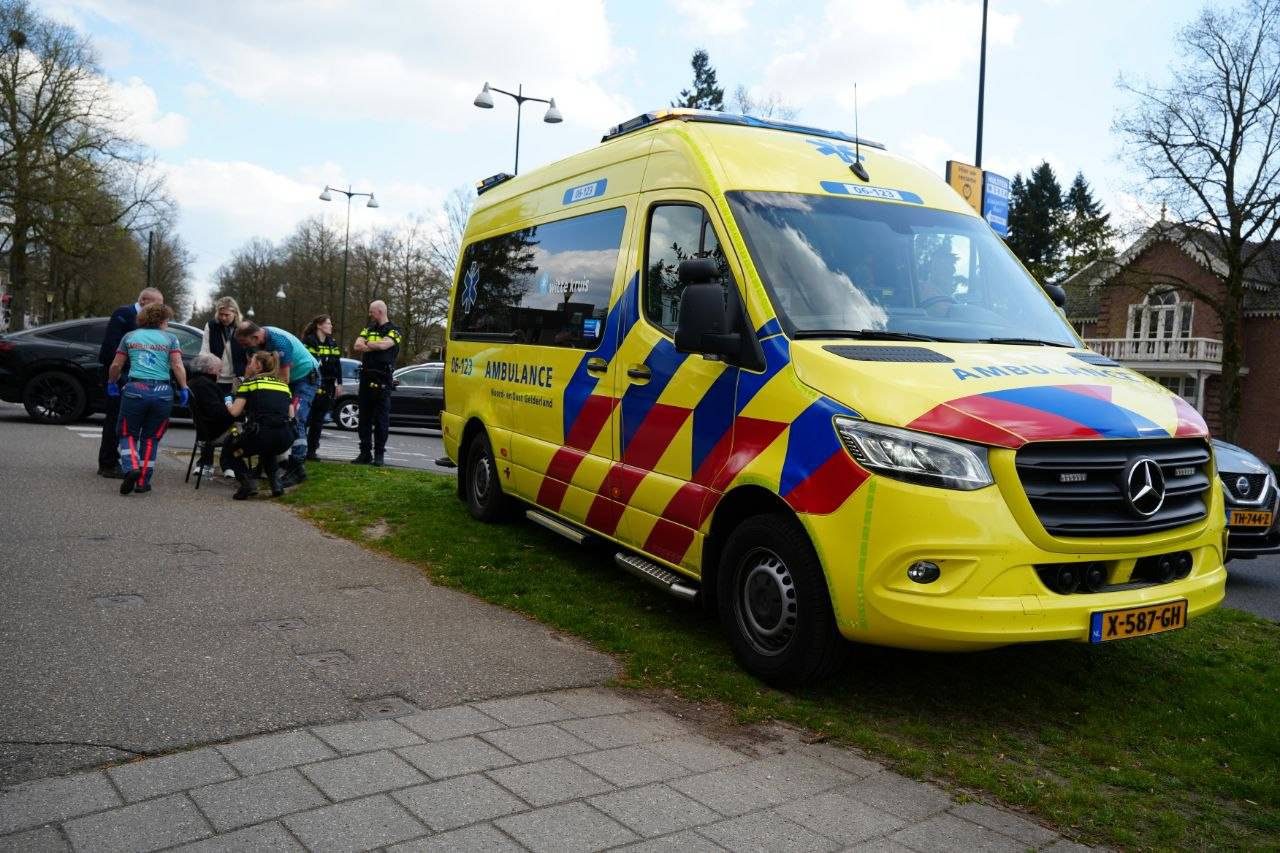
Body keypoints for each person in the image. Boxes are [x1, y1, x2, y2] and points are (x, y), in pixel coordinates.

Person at [106, 302, 189, 495]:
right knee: (151, 437)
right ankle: (143, 481)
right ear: (162, 320)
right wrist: (184, 388)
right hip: (163, 392)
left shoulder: (130, 337)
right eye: (167, 320)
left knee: (127, 433)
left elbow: (117, 365)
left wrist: (112, 382)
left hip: (136, 389)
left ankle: (132, 466)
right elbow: (177, 365)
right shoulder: (171, 339)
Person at [235, 320, 319, 486]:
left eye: (246, 343)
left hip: (304, 378)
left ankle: (297, 468)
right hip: (290, 379)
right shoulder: (256, 343)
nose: (245, 347)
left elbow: (283, 379)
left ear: (256, 336)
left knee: (295, 418)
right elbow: (251, 368)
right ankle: (265, 465)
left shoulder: (279, 341)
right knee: (267, 420)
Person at [97, 287, 163, 478]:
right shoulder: (124, 315)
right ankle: (107, 463)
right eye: (156, 304)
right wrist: (116, 377)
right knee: (115, 418)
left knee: (124, 420)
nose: (159, 309)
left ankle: (115, 458)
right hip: (117, 374)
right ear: (143, 301)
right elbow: (112, 347)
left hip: (134, 376)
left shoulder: (148, 322)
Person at [222, 351, 296, 500]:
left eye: (251, 363)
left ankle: (247, 483)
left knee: (230, 450)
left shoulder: (250, 383)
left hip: (261, 436)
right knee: (267, 450)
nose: (248, 366)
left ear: (258, 366)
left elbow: (235, 412)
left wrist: (228, 401)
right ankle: (276, 485)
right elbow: (291, 414)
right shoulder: (283, 385)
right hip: (285, 438)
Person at [196, 296, 247, 475]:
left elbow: (246, 352)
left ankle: (229, 463)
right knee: (209, 418)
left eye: (227, 314)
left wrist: (243, 376)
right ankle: (205, 461)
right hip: (214, 377)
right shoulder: (211, 325)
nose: (223, 318)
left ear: (235, 313)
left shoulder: (241, 329)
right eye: (221, 314)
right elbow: (205, 349)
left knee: (233, 420)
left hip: (233, 380)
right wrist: (209, 367)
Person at [352, 300, 402, 466]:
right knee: (364, 418)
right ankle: (365, 453)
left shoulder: (395, 330)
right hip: (366, 377)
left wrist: (368, 344)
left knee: (381, 420)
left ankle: (379, 454)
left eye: (371, 312)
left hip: (383, 379)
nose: (370, 314)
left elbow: (384, 345)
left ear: (380, 311)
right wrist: (374, 345)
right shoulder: (369, 328)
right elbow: (357, 346)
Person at [301, 314, 342, 461]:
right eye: (328, 323)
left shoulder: (332, 342)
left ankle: (312, 451)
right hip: (312, 385)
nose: (331, 326)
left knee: (318, 421)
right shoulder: (309, 341)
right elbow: (309, 364)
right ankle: (300, 450)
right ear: (319, 325)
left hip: (328, 386)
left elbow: (337, 364)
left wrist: (339, 382)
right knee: (305, 419)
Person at [189, 353, 235, 459]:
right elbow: (216, 412)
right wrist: (234, 408)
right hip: (216, 432)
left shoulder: (194, 382)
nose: (220, 374)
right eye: (219, 370)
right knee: (251, 434)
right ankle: (235, 468)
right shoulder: (206, 385)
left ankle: (231, 467)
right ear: (210, 370)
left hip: (204, 430)